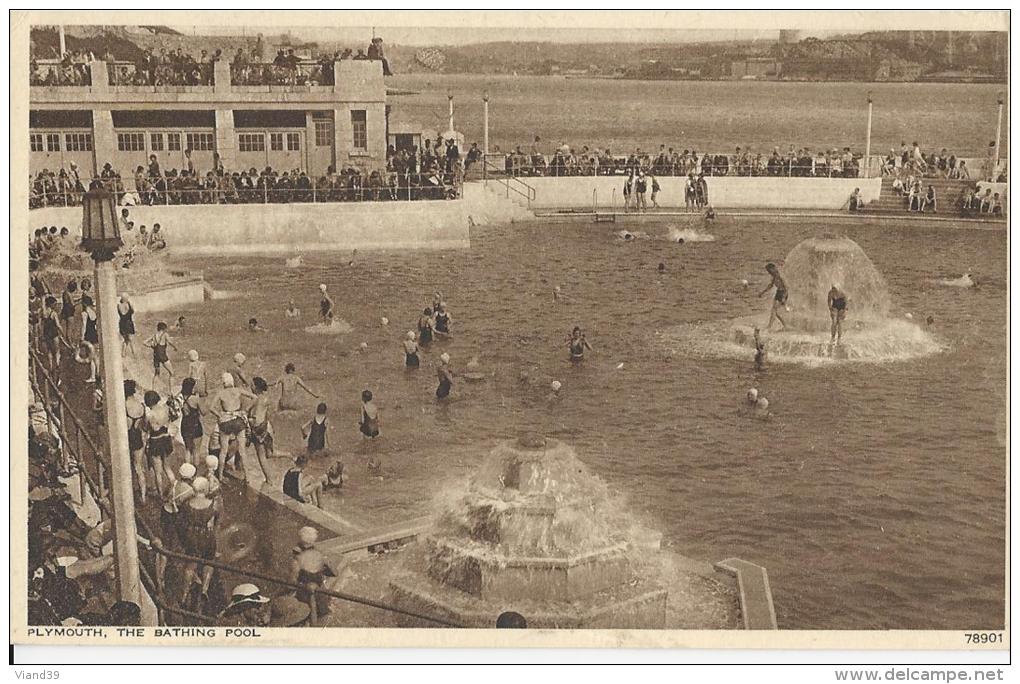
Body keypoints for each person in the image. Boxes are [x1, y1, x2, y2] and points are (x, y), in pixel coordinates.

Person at [179, 476, 218, 607]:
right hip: (207, 535)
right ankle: (205, 589)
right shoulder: (213, 504)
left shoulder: (187, 504)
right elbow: (217, 521)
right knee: (209, 561)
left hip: (192, 535)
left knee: (190, 565)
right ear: (205, 489)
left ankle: (184, 594)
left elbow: (182, 520)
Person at [210, 373, 255, 480]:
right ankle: (247, 477)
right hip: (238, 420)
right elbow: (255, 397)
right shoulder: (238, 390)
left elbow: (211, 408)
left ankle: (220, 476)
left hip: (226, 420)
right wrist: (246, 409)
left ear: (223, 383)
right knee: (242, 450)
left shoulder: (221, 393)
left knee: (223, 450)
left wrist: (219, 414)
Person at [290, 526, 337, 621]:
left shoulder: (297, 559)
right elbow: (333, 573)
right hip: (320, 595)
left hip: (304, 595)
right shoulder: (319, 555)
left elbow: (292, 581)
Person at [142, 390, 175, 498]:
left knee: (158, 471)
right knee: (167, 467)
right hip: (166, 438)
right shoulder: (165, 409)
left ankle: (161, 495)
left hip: (155, 440)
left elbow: (146, 428)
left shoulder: (150, 414)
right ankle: (174, 488)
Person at [124, 380, 148, 503]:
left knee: (126, 465)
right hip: (138, 436)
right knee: (139, 467)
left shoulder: (123, 406)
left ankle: (128, 491)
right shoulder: (140, 405)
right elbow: (144, 424)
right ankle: (143, 495)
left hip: (126, 437)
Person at [247, 376, 274, 484]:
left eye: (252, 385)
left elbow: (255, 418)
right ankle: (289, 455)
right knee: (269, 453)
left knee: (261, 456)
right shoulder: (266, 398)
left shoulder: (255, 398)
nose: (250, 387)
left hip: (257, 429)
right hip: (266, 427)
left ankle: (269, 480)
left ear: (256, 387)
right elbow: (268, 415)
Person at [144, 322, 177, 394]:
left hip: (156, 356)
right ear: (164, 328)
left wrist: (151, 346)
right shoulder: (165, 335)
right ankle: (171, 391)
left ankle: (153, 390)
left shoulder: (154, 335)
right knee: (172, 373)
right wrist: (175, 347)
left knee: (156, 374)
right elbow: (170, 342)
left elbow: (144, 342)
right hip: (162, 356)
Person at [178, 377, 204, 465]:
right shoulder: (195, 399)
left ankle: (187, 470)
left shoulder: (180, 397)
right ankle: (195, 472)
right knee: (196, 450)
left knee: (188, 449)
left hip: (184, 424)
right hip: (195, 425)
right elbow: (204, 412)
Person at [758, 263, 788, 331]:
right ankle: (783, 325)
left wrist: (784, 297)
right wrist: (762, 292)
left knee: (775, 310)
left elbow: (786, 287)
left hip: (783, 293)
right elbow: (770, 286)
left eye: (770, 271)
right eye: (768, 272)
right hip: (778, 292)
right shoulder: (774, 277)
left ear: (774, 268)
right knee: (775, 311)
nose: (769, 273)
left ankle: (771, 326)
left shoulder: (780, 276)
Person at [40, 296, 65, 369]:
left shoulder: (43, 313)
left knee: (49, 351)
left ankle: (51, 366)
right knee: (57, 350)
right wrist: (62, 333)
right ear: (51, 304)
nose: (56, 305)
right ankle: (57, 365)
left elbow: (41, 324)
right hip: (54, 333)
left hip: (46, 333)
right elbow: (58, 325)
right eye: (54, 304)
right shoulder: (53, 313)